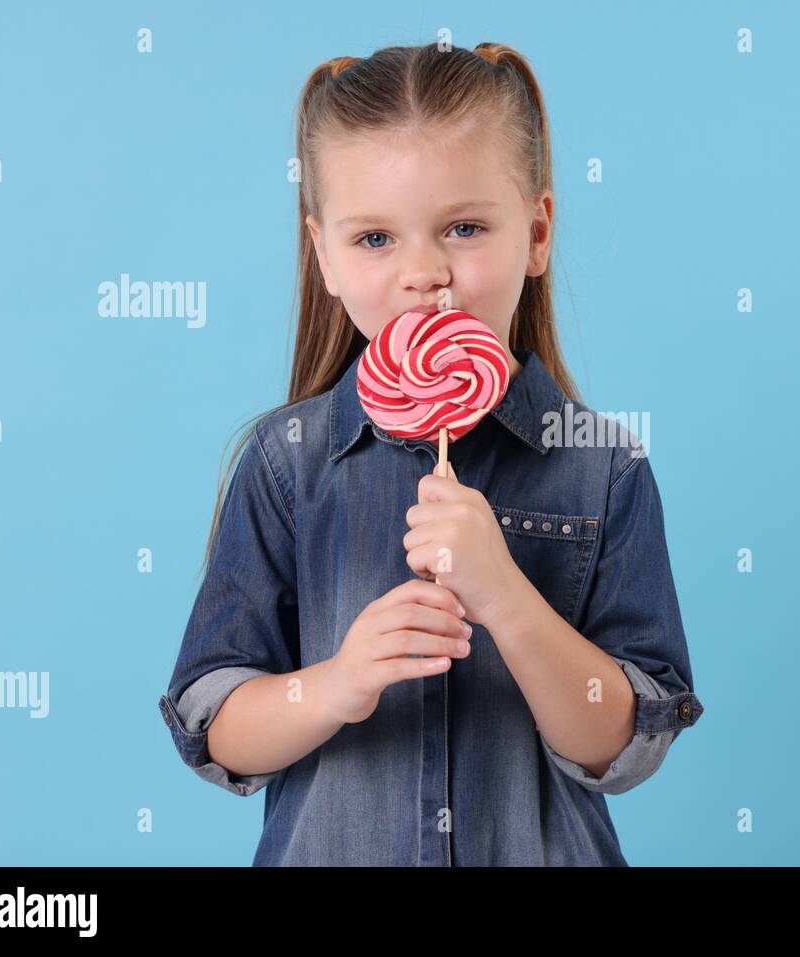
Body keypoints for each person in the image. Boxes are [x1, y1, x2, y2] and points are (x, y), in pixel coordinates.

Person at [158, 41, 704, 866]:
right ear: (325, 257)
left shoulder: (601, 467)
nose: (425, 272)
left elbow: (623, 743)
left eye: (464, 226)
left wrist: (506, 594)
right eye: (375, 238)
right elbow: (217, 727)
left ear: (538, 232)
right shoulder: (287, 465)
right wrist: (337, 682)